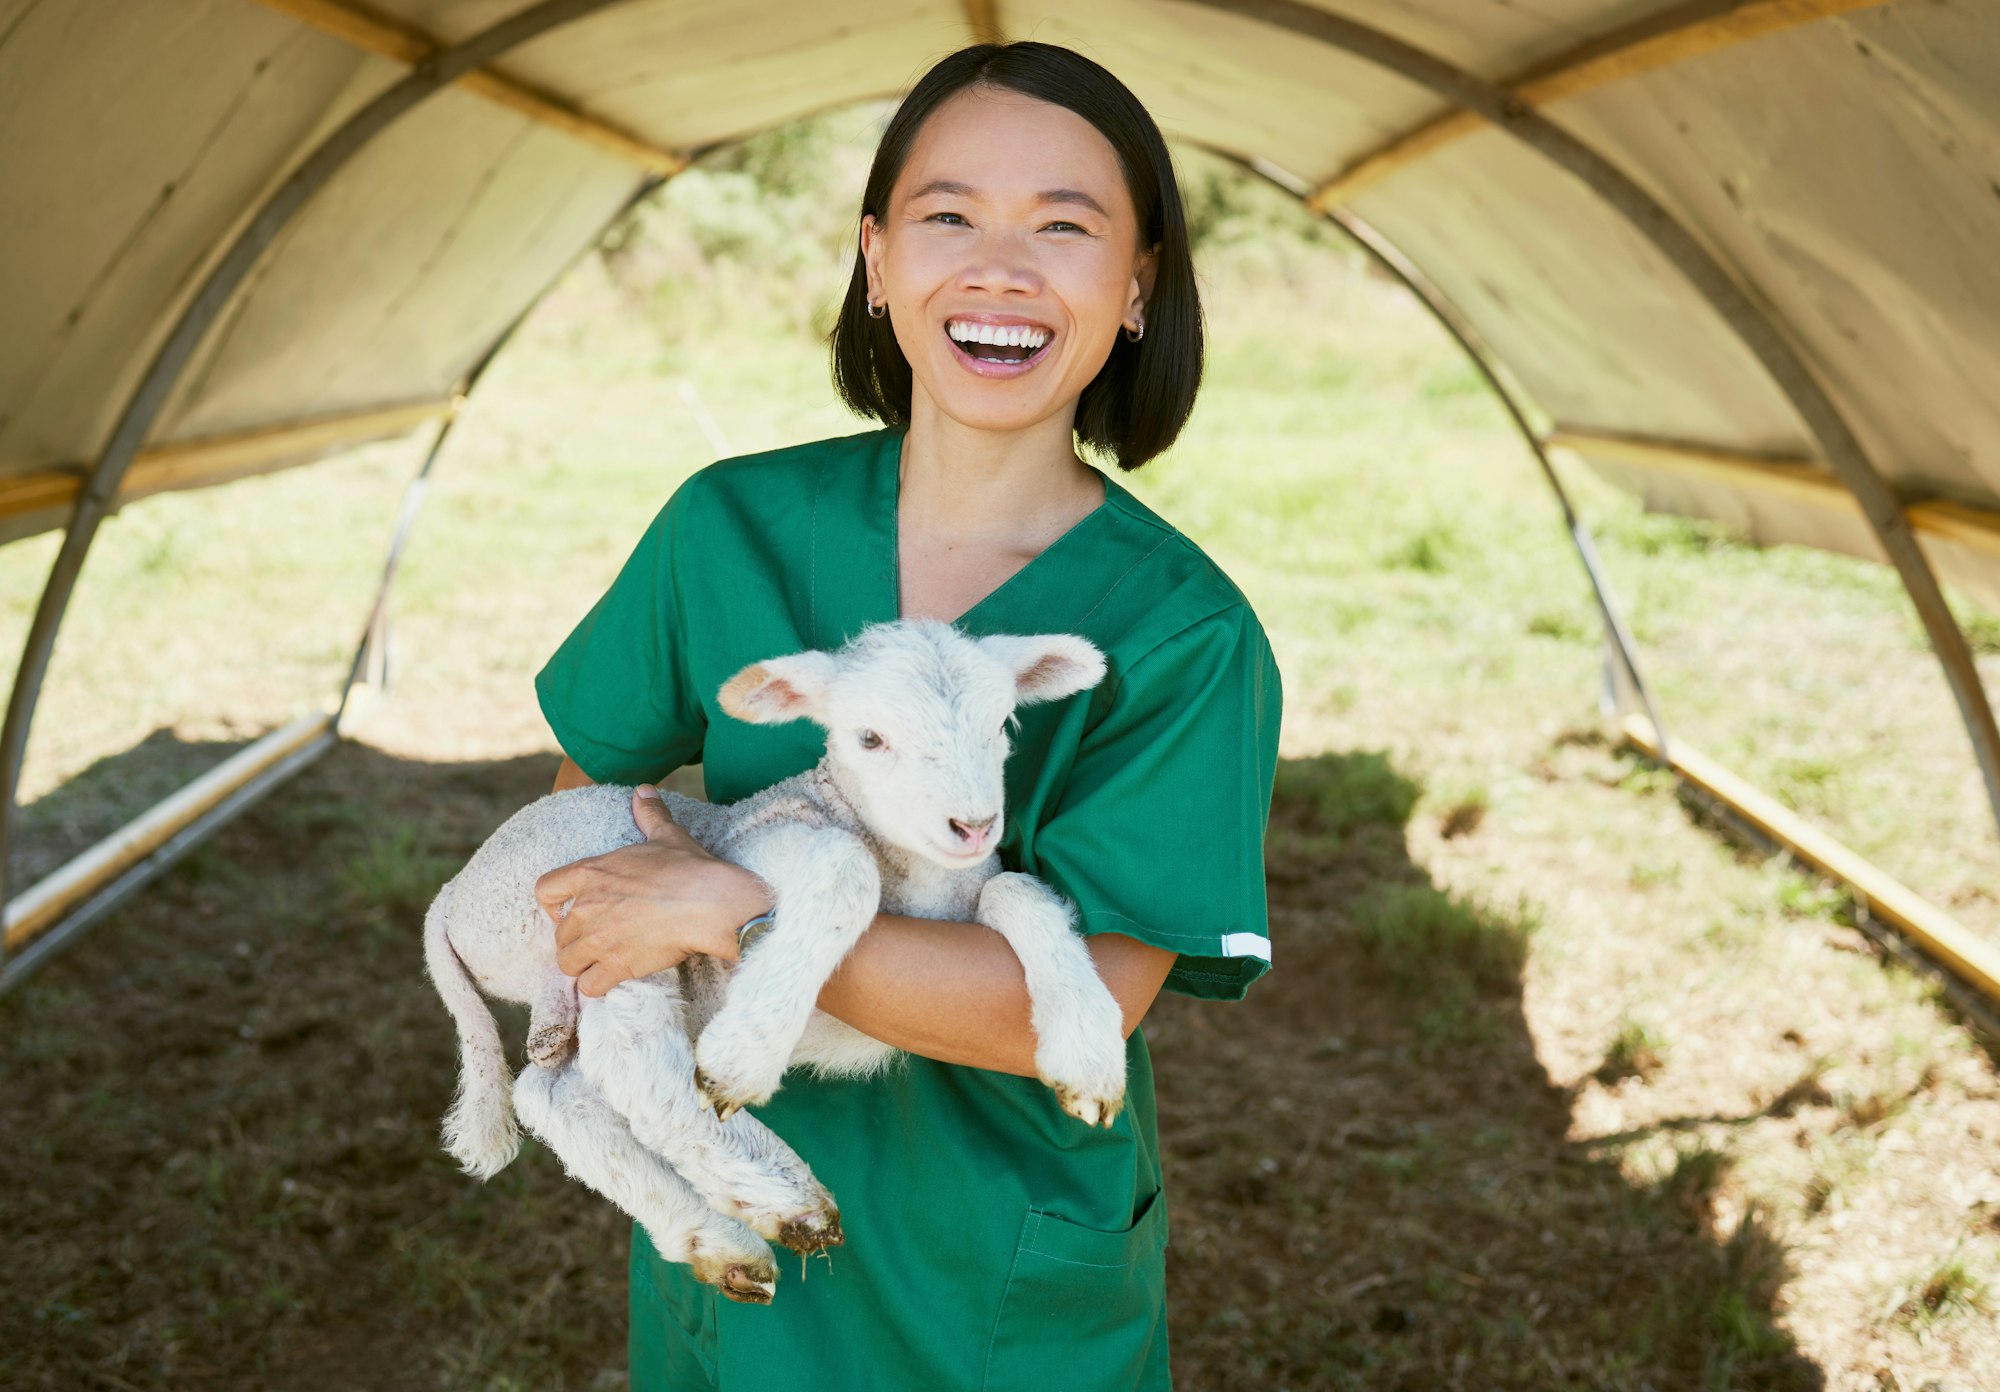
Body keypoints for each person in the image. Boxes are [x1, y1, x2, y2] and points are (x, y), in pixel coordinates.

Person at [529, 40, 1282, 1392]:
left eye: (1065, 226)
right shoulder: (729, 526)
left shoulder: (1182, 632)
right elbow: (603, 784)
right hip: (736, 1184)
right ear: (877, 263)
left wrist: (726, 904)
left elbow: (1065, 1012)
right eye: (949, 217)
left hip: (991, 1253)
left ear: (1136, 287)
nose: (999, 267)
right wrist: (651, 919)